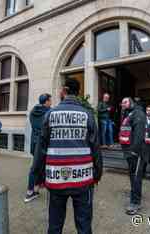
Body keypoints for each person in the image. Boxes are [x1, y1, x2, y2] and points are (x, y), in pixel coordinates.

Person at [37, 78, 103, 234]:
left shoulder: (50, 115)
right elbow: (95, 147)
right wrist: (97, 174)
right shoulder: (87, 115)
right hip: (83, 179)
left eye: (61, 89)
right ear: (78, 93)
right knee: (84, 225)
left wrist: (40, 176)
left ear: (64, 91)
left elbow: (41, 149)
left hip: (56, 178)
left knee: (54, 224)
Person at [119, 97, 146, 215]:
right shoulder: (129, 114)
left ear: (131, 103)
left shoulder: (138, 114)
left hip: (135, 152)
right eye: (122, 102)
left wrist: (134, 151)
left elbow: (139, 135)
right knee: (132, 175)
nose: (122, 104)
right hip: (128, 151)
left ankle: (135, 203)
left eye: (125, 102)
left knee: (135, 176)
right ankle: (135, 193)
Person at [24, 93, 52, 203]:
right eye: (50, 101)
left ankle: (36, 189)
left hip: (34, 142)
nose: (51, 103)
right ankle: (29, 193)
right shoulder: (48, 113)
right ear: (46, 102)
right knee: (35, 167)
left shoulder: (33, 112)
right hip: (42, 143)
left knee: (40, 166)